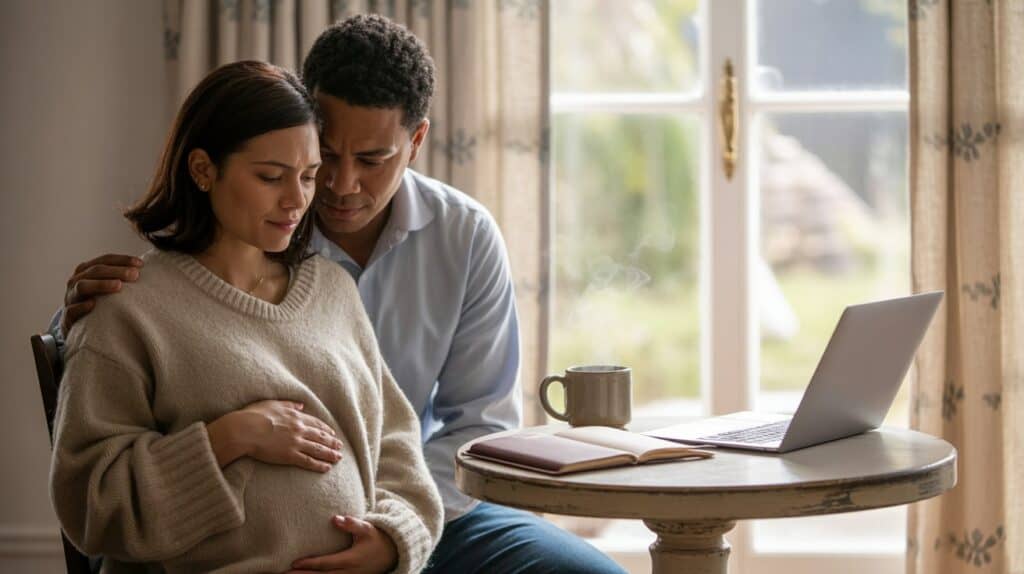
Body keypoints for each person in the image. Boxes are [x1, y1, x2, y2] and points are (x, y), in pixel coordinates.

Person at [54, 14, 627, 574]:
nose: (335, 186)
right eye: (322, 158)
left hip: (433, 512)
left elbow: (467, 429)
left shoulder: (450, 240)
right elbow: (130, 373)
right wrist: (74, 318)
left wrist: (393, 533)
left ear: (417, 141)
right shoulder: (175, 280)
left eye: (372, 160)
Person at [49, 60, 442, 574]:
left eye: (307, 176)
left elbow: (395, 444)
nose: (298, 199)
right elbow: (91, 506)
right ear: (203, 170)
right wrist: (228, 438)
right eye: (270, 177)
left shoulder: (333, 290)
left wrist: (394, 540)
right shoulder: (127, 308)